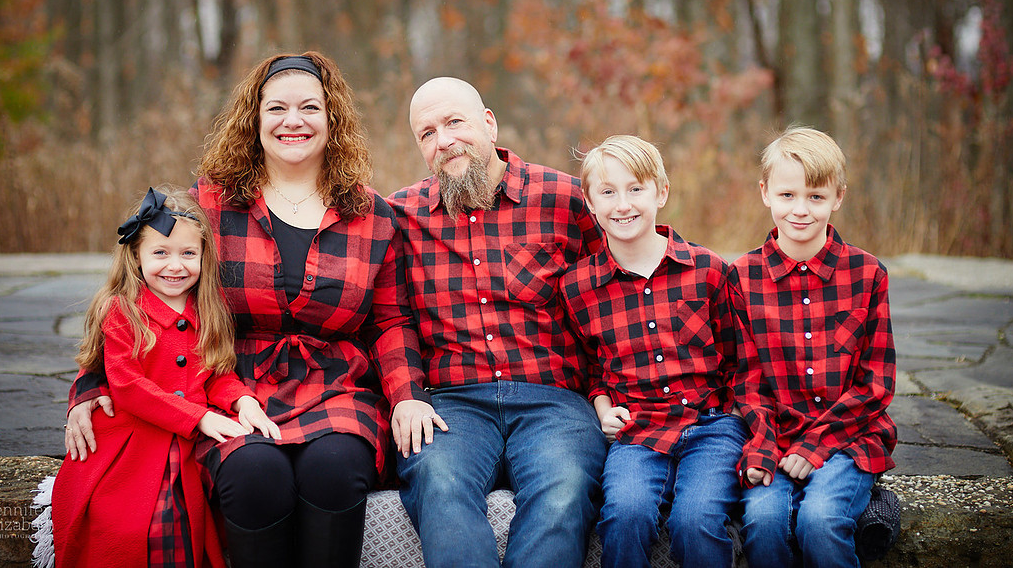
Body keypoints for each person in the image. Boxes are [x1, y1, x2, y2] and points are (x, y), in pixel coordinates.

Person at [64, 52, 436, 568]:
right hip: (230, 384)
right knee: (255, 475)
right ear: (254, 119)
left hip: (336, 386)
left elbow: (390, 321)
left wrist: (407, 396)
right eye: (276, 108)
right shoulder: (210, 203)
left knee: (334, 471)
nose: (292, 121)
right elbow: (137, 291)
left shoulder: (370, 214)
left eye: (309, 108)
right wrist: (90, 385)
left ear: (332, 119)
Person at [387, 76, 608, 568]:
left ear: (489, 123)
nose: (444, 141)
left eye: (454, 122)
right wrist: (406, 394)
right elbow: (391, 316)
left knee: (565, 487)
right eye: (427, 133)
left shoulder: (566, 199)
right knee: (439, 482)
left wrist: (603, 392)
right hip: (452, 403)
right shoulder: (400, 215)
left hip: (554, 400)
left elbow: (613, 299)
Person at [52, 187, 279, 567]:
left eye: (188, 254)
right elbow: (126, 386)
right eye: (160, 253)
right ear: (136, 256)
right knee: (131, 526)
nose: (175, 266)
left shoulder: (208, 310)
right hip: (132, 440)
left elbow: (215, 375)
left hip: (185, 443)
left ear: (204, 256)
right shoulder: (122, 310)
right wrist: (200, 417)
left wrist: (243, 401)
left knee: (190, 523)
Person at [558, 135, 751, 568]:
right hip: (637, 431)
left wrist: (737, 416)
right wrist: (603, 407)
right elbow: (590, 369)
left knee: (696, 521)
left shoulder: (708, 270)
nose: (623, 204)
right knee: (624, 516)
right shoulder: (577, 287)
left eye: (635, 189)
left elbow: (738, 357)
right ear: (590, 203)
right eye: (608, 192)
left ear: (661, 192)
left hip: (711, 425)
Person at [730, 126, 897, 568]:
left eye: (816, 197)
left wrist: (815, 445)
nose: (800, 210)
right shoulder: (742, 277)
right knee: (763, 521)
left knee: (820, 521)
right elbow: (747, 381)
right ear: (765, 193)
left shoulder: (867, 274)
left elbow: (876, 384)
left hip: (850, 438)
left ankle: (862, 493)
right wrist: (764, 445)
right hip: (776, 437)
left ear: (838, 197)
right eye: (787, 195)